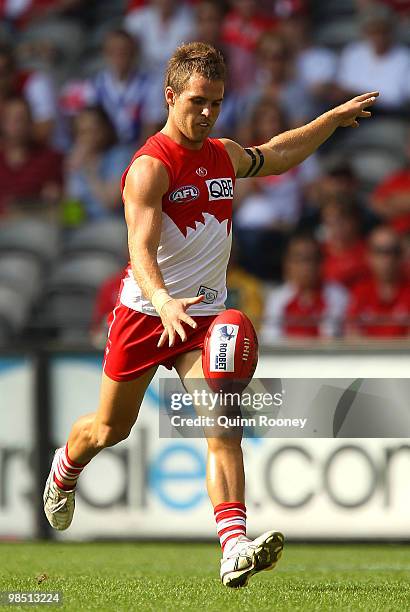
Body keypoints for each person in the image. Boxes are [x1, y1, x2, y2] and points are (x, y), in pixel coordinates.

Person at [43, 41, 378, 588]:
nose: (206, 113)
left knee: (223, 429)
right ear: (171, 96)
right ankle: (65, 468)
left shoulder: (221, 154)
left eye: (216, 103)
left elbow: (277, 155)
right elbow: (140, 248)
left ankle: (232, 545)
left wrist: (331, 121)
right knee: (109, 429)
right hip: (147, 314)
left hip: (206, 317)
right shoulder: (149, 168)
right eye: (197, 101)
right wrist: (161, 300)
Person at [260, 234, 348, 342]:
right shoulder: (276, 299)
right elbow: (271, 339)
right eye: (299, 259)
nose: (306, 266)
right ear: (287, 264)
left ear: (321, 263)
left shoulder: (338, 296)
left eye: (311, 259)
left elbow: (332, 339)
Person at [0, 97, 63, 216]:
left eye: (20, 119)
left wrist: (56, 196)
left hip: (34, 223)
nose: (14, 126)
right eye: (9, 120)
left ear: (30, 123)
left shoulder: (50, 158)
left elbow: (63, 200)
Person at [346, 225, 410, 338]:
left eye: (393, 251)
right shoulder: (360, 291)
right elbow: (352, 334)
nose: (387, 258)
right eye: (379, 251)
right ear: (369, 256)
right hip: (368, 355)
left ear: (402, 255)